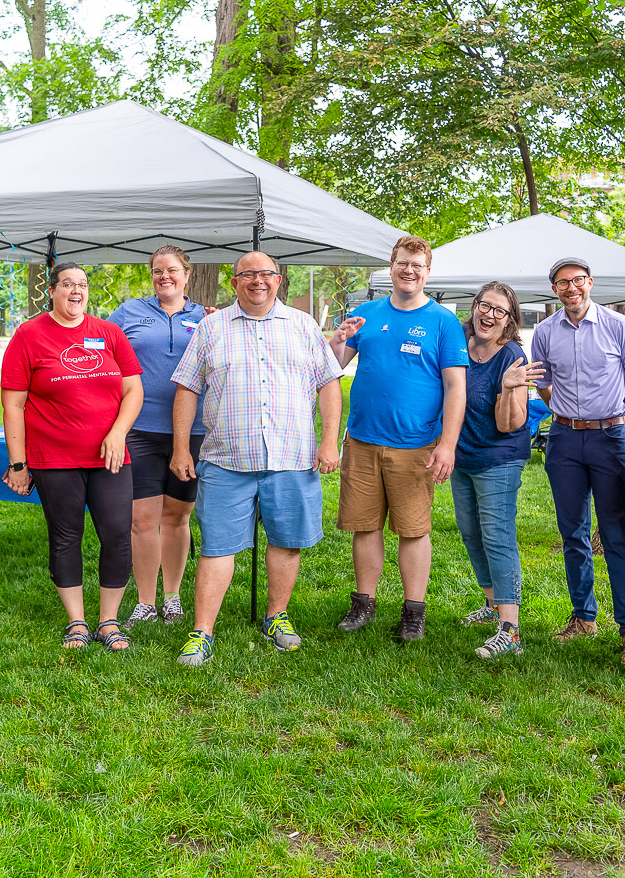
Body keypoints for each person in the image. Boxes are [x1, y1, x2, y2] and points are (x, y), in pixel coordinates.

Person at [168, 251, 343, 667]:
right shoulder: (211, 328)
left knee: (286, 541)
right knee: (217, 546)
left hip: (292, 455)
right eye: (247, 275)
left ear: (279, 280)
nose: (257, 281)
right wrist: (179, 448)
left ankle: (276, 616)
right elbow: (187, 389)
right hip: (227, 457)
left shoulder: (303, 327)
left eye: (265, 274)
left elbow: (329, 385)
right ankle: (202, 632)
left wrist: (329, 441)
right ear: (234, 283)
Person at [2, 262, 144, 653]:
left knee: (117, 535)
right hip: (54, 456)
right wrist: (18, 464)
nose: (76, 291)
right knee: (66, 537)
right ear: (52, 290)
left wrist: (118, 433)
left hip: (110, 456)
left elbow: (134, 391)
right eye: (67, 284)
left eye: (82, 284)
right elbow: (13, 403)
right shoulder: (29, 335)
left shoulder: (108, 332)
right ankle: (77, 622)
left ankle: (108, 621)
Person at [329, 235, 466, 643]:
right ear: (390, 267)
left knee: (413, 530)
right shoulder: (366, 314)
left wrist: (448, 444)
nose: (409, 271)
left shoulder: (443, 321)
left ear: (427, 271)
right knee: (364, 525)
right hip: (364, 440)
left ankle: (413, 612)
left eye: (417, 265)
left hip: (417, 446)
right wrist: (336, 342)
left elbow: (455, 388)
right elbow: (333, 366)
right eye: (403, 263)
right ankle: (363, 604)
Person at [530, 255, 625, 665]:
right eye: (562, 283)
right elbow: (543, 383)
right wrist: (566, 413)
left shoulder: (618, 327)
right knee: (573, 534)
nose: (571, 288)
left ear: (590, 283)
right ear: (555, 289)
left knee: (616, 534)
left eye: (577, 280)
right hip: (563, 440)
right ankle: (583, 617)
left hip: (612, 438)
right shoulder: (544, 332)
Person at [107, 246, 209, 629]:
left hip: (192, 432)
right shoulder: (129, 313)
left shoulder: (207, 317)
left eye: (172, 270)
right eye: (156, 271)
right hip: (140, 430)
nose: (164, 276)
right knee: (142, 519)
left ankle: (172, 598)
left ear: (186, 274)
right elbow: (103, 356)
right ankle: (146, 601)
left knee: (178, 517)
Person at [452, 282, 543, 659]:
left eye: (499, 311)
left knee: (497, 535)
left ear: (509, 321)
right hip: (462, 456)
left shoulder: (512, 357)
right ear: (474, 307)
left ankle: (511, 631)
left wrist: (507, 389)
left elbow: (511, 424)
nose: (489, 314)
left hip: (500, 457)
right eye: (484, 306)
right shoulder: (458, 343)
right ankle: (491, 605)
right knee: (471, 533)